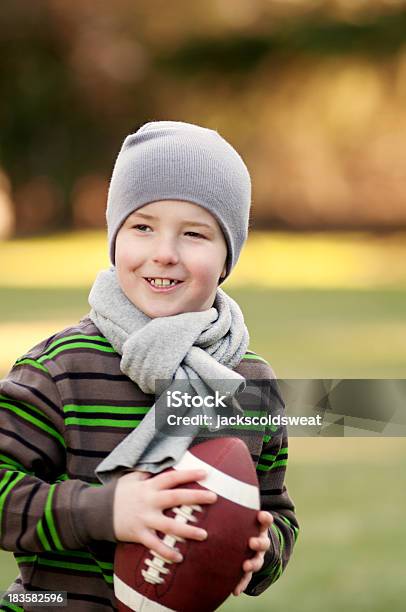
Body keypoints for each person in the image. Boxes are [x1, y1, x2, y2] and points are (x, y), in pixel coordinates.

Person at [0, 121, 299, 611]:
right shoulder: (60, 368)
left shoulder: (249, 384)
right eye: (142, 227)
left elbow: (276, 509)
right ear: (114, 239)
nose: (164, 253)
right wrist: (104, 510)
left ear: (228, 257)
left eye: (195, 233)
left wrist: (261, 550)